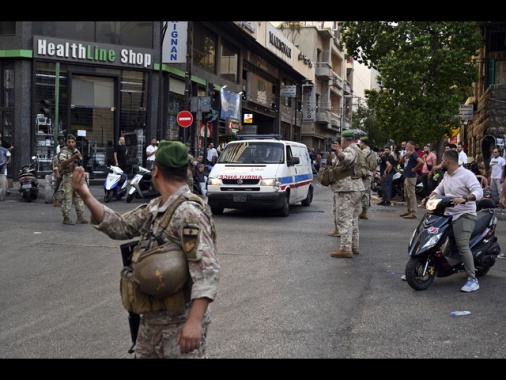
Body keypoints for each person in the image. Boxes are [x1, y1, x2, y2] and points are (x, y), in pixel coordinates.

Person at [70, 140, 221, 358]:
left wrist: (195, 322)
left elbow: (207, 270)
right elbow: (121, 227)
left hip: (179, 324)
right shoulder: (157, 206)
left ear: (156, 170)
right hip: (152, 322)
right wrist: (85, 194)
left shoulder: (188, 212)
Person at [421, 149, 484, 292]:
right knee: (433, 238)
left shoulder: (467, 175)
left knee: (462, 245)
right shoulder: (447, 175)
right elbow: (439, 189)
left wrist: (465, 198)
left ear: (448, 161)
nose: (441, 163)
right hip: (447, 213)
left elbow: (478, 191)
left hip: (464, 214)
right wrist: (428, 198)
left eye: (442, 160)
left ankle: (472, 279)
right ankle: (422, 268)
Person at [329, 130, 365, 258]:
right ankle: (354, 246)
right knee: (353, 219)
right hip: (357, 188)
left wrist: (338, 153)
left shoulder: (349, 150)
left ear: (344, 140)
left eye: (341, 141)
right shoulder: (358, 150)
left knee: (344, 219)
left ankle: (345, 248)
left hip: (347, 189)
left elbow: (346, 159)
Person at [58, 134, 88, 225]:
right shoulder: (64, 151)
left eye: (72, 142)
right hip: (68, 176)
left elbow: (80, 162)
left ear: (75, 143)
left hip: (77, 176)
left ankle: (80, 217)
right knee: (67, 197)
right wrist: (73, 158)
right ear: (66, 142)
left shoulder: (76, 151)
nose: (71, 143)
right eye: (69, 142)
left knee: (79, 197)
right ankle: (66, 218)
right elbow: (63, 163)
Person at [399, 141, 424, 219]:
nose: (406, 147)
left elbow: (421, 161)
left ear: (411, 146)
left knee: (411, 195)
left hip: (411, 176)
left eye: (407, 146)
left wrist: (415, 169)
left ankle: (413, 212)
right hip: (407, 176)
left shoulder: (414, 154)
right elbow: (401, 162)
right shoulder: (409, 155)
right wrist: (404, 156)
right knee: (407, 195)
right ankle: (409, 210)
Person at [358, 136, 376, 219]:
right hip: (369, 174)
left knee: (363, 193)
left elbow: (358, 162)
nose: (359, 144)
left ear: (363, 143)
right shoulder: (372, 152)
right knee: (366, 192)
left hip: (364, 175)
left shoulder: (364, 152)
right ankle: (364, 211)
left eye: (360, 143)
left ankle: (364, 211)